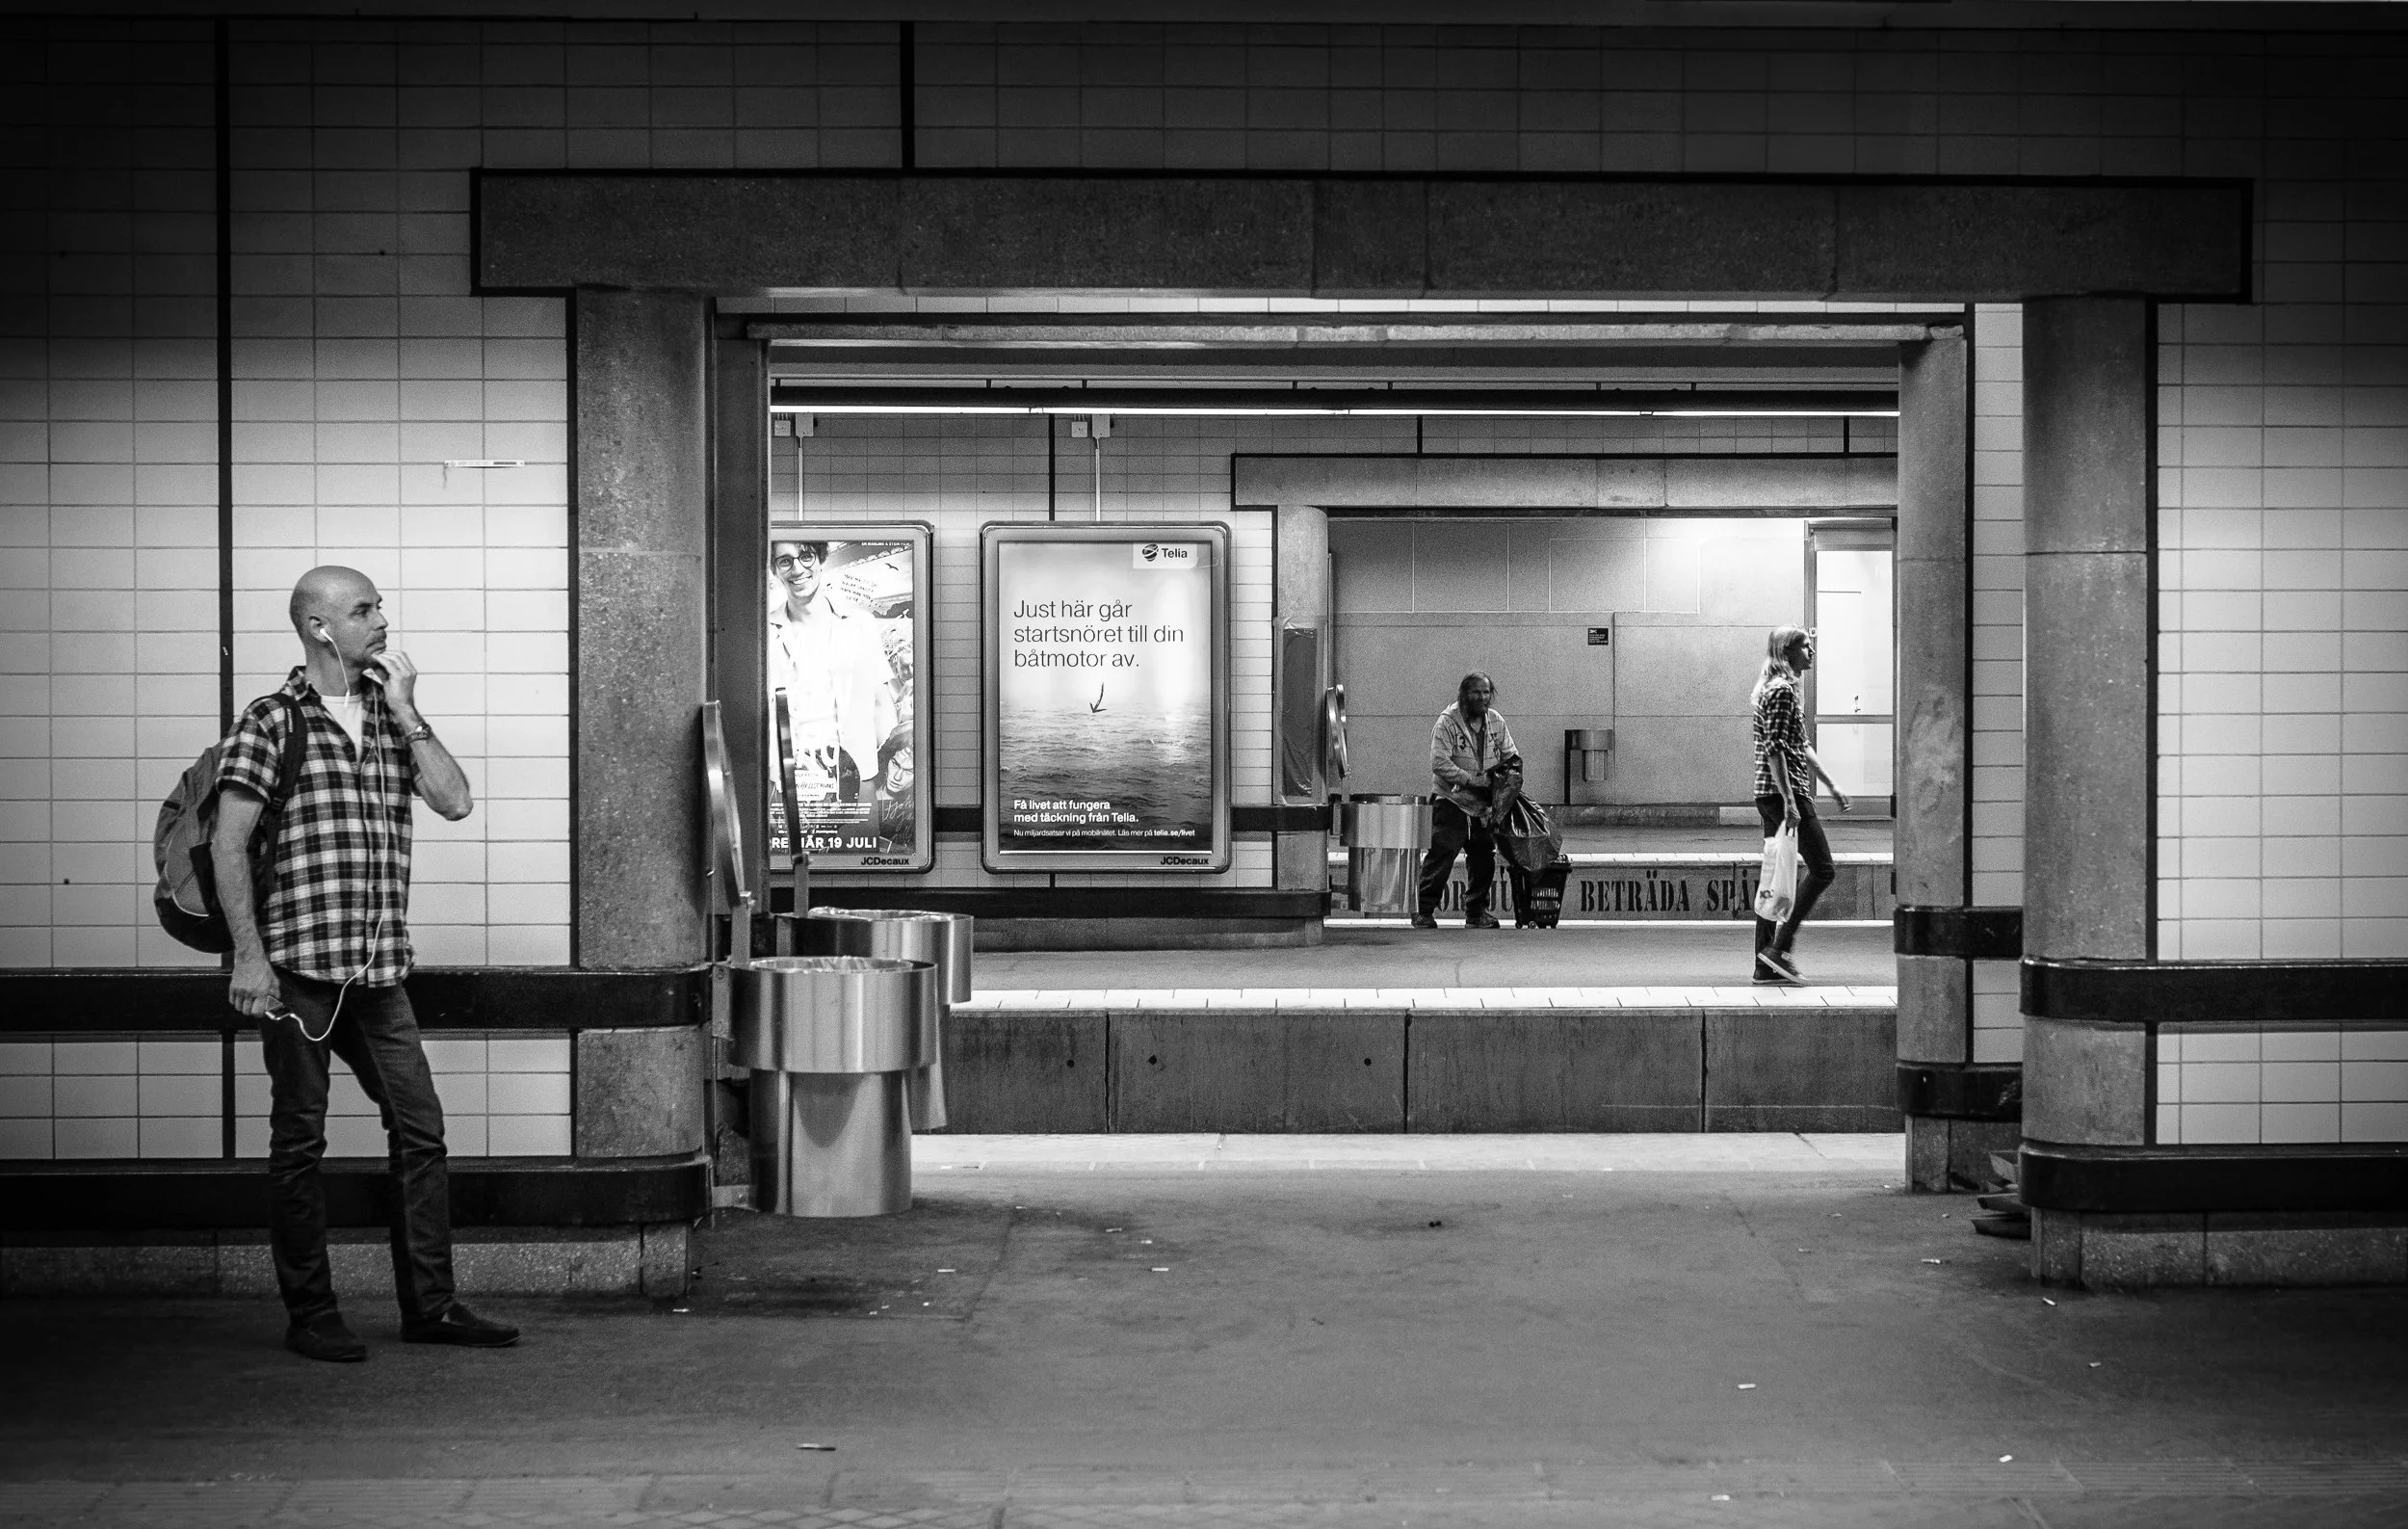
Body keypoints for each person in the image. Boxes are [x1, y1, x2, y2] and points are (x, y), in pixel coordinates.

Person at [213, 566, 518, 1361]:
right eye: (362, 609)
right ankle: (312, 1313)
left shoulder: (389, 719)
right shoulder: (272, 722)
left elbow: (455, 801)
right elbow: (227, 843)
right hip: (298, 974)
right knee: (299, 1144)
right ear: (319, 628)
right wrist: (250, 957)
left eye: (378, 605)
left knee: (421, 1131)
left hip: (379, 975)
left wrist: (410, 712)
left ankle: (431, 1305)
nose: (381, 619)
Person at [1750, 624, 1851, 983]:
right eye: (1806, 647)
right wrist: (1792, 802)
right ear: (1787, 652)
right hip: (1783, 794)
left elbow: (1801, 745)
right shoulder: (1780, 692)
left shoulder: (1783, 690)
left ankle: (1765, 963)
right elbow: (1776, 750)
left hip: (1773, 794)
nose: (1812, 653)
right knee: (1823, 868)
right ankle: (1779, 948)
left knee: (1775, 875)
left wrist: (1832, 785)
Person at [768, 540, 895, 823]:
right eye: (784, 561)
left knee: (858, 865)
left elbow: (881, 703)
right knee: (787, 866)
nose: (797, 568)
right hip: (789, 785)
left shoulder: (860, 624)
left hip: (857, 781)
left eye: (806, 556)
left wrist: (875, 775)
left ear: (821, 559)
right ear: (775, 570)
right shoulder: (765, 633)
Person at [1414, 672, 1524, 931]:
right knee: (1442, 855)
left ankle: (1476, 913)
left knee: (1484, 858)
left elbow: (1511, 756)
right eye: (1476, 692)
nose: (1482, 697)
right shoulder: (1447, 723)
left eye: (1486, 692)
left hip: (1483, 806)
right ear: (1463, 695)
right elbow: (1438, 762)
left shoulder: (1496, 721)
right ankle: (1424, 911)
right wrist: (1471, 780)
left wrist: (1505, 783)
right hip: (1451, 800)